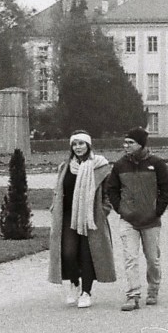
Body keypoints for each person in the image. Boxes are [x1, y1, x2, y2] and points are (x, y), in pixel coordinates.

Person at [107, 127, 168, 312]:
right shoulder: (120, 165)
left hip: (151, 220)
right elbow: (111, 188)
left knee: (153, 259)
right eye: (125, 142)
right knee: (130, 258)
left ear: (141, 144)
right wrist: (120, 208)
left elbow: (167, 189)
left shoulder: (157, 164)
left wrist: (157, 210)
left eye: (130, 142)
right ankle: (133, 295)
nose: (125, 145)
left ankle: (153, 289)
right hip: (128, 219)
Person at [48, 131, 117, 309]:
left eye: (81, 143)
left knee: (88, 254)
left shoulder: (100, 166)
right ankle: (74, 282)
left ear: (88, 145)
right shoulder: (65, 167)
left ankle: (86, 292)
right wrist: (55, 206)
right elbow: (59, 190)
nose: (78, 147)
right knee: (68, 253)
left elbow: (108, 194)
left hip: (91, 217)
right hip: (68, 216)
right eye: (75, 144)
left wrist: (103, 211)